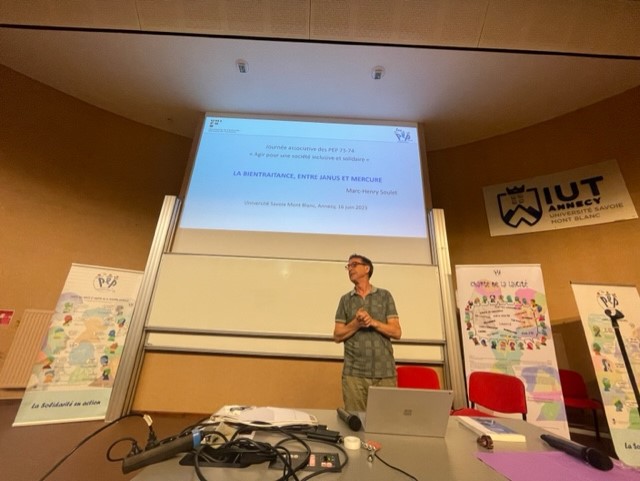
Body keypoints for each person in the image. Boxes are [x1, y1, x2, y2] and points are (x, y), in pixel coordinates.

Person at [333, 254, 402, 411]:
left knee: (385, 420)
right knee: (356, 422)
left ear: (367, 268)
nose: (350, 269)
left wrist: (373, 322)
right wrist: (356, 324)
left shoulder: (384, 296)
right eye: (348, 266)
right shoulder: (345, 300)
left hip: (384, 373)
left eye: (354, 264)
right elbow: (337, 335)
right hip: (354, 375)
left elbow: (397, 332)